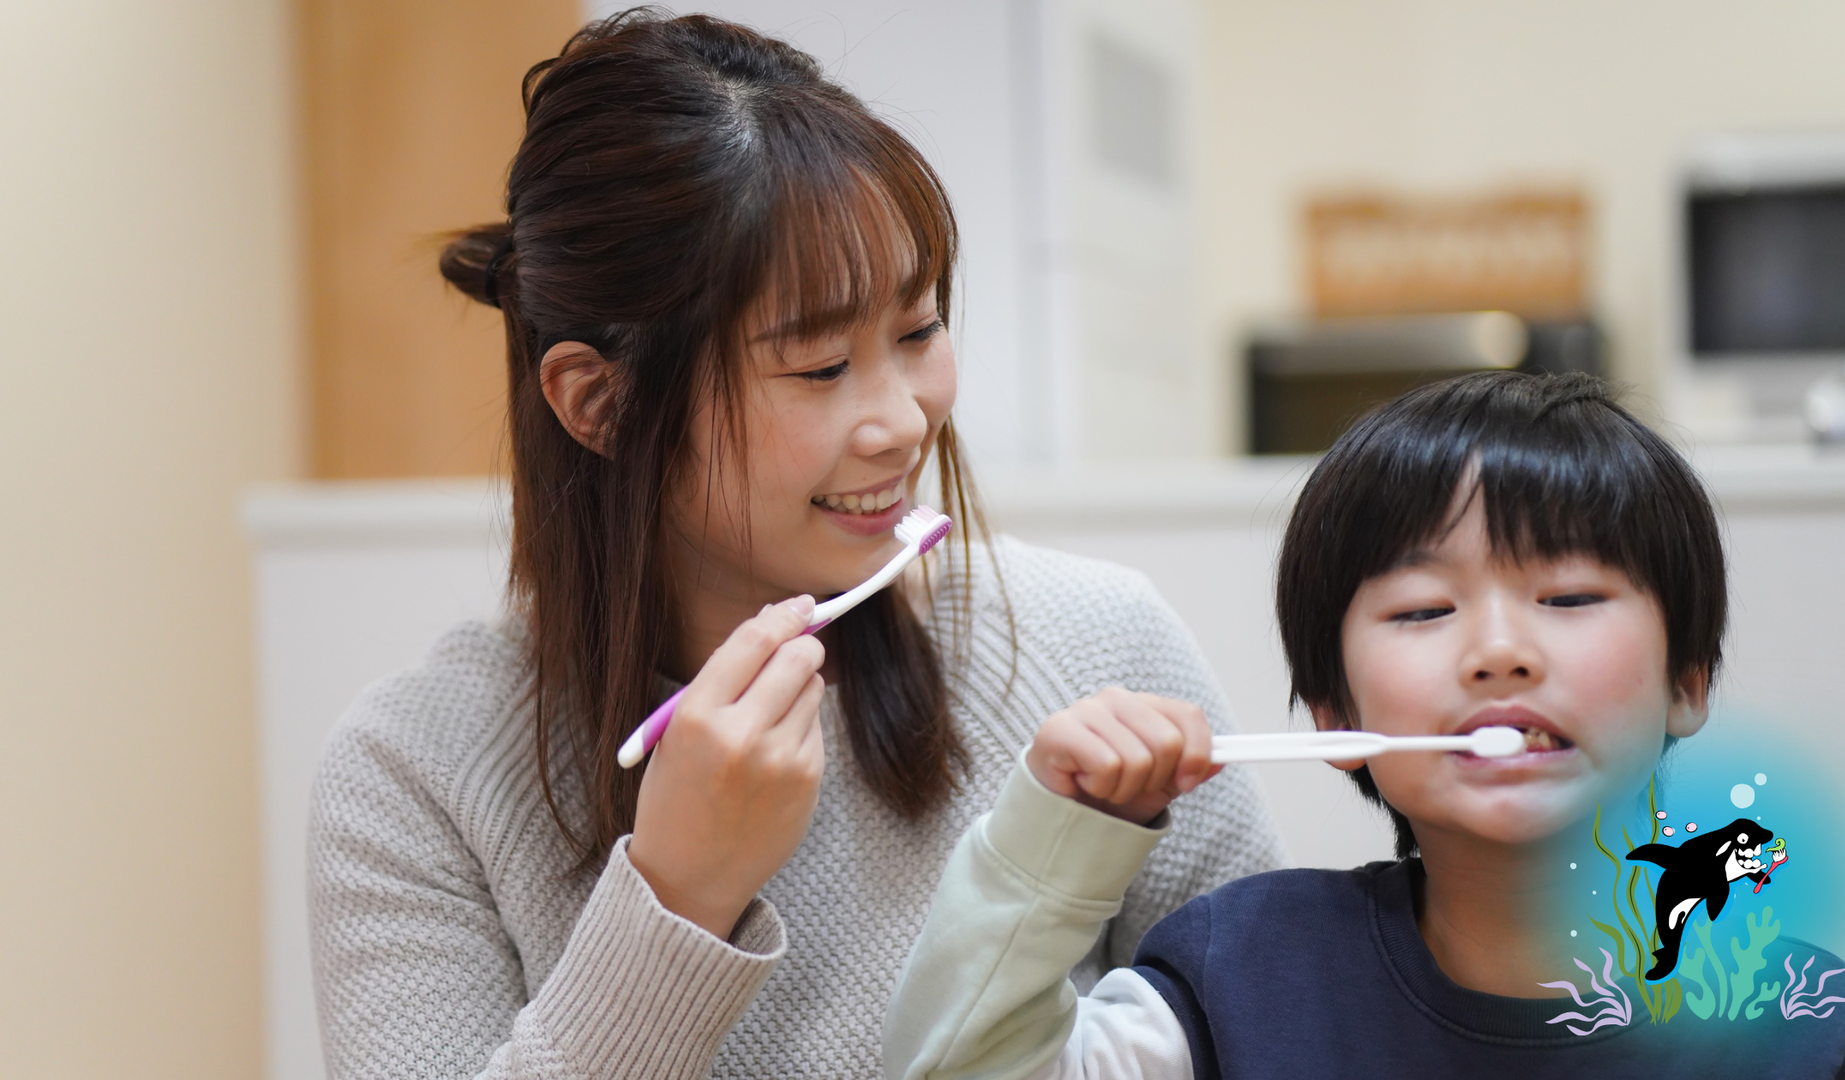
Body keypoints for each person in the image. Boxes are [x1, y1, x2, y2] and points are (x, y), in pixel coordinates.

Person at [305, 9, 1282, 1080]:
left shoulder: (1096, 648)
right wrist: (677, 897)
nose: (904, 421)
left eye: (918, 333)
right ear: (600, 401)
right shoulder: (410, 777)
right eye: (819, 368)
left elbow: (1279, 1038)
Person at [885, 372, 1845, 1079]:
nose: (1498, 650)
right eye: (1423, 611)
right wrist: (1054, 841)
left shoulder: (1804, 1024)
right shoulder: (1238, 978)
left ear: (1688, 680)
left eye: (1571, 597)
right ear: (1336, 712)